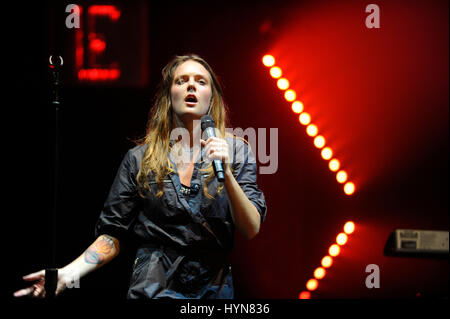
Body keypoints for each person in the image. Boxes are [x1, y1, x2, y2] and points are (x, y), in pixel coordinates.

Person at [13, 54, 267, 299]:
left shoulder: (236, 152)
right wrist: (68, 274)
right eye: (182, 80)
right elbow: (113, 234)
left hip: (213, 291)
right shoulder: (139, 158)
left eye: (201, 81)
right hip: (153, 288)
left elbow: (251, 227)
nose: (191, 85)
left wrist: (227, 175)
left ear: (211, 98)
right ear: (169, 96)